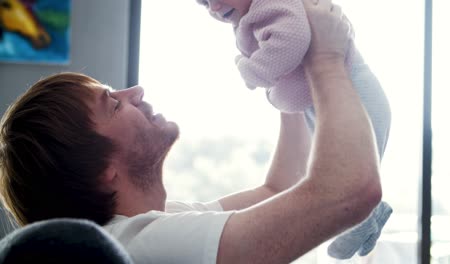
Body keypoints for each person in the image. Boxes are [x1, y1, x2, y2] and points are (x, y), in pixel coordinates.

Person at [0, 1, 382, 263]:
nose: (135, 92)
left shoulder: (151, 224)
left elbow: (277, 191)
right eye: (114, 104)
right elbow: (348, 193)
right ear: (103, 172)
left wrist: (287, 75)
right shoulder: (143, 244)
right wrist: (326, 58)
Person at [196, 0, 392, 259]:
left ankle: (365, 217)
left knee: (347, 172)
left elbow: (293, 39)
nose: (213, 7)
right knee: (332, 168)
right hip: (325, 105)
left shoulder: (273, 4)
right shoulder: (255, 16)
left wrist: (252, 71)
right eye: (204, 2)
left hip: (357, 96)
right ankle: (371, 216)